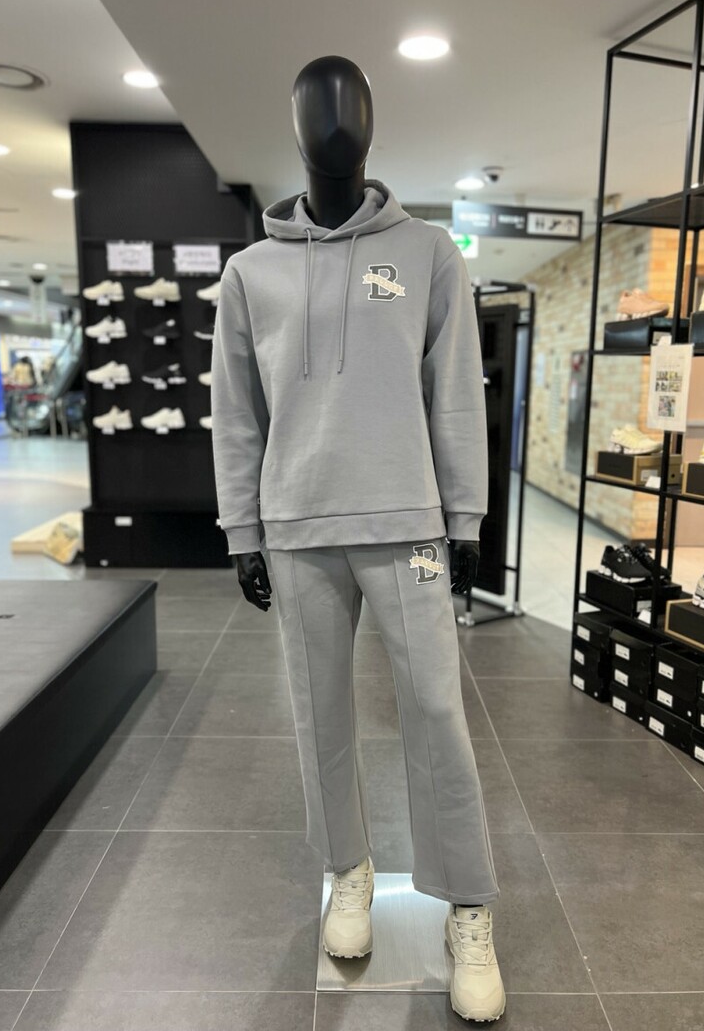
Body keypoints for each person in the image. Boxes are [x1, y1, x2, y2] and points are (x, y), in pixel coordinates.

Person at [211, 56, 505, 1023]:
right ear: (296, 126)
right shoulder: (249, 274)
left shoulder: (427, 252)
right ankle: (349, 871)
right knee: (319, 715)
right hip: (298, 528)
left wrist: (464, 517)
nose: (337, 122)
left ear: (372, 123)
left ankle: (469, 906)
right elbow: (236, 414)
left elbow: (455, 390)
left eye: (353, 105)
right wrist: (243, 529)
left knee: (437, 713)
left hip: (405, 522)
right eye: (319, 107)